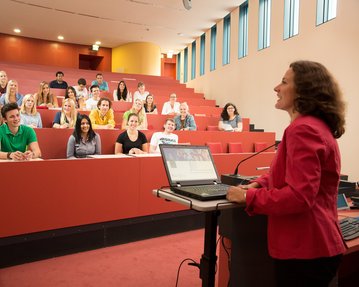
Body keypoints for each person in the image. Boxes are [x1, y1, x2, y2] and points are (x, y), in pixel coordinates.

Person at [226, 60, 346, 287]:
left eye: (283, 82)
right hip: (317, 246)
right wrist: (259, 184)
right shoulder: (316, 126)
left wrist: (247, 197)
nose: (276, 88)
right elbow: (291, 173)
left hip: (305, 249)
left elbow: (300, 197)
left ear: (303, 91)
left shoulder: (302, 129)